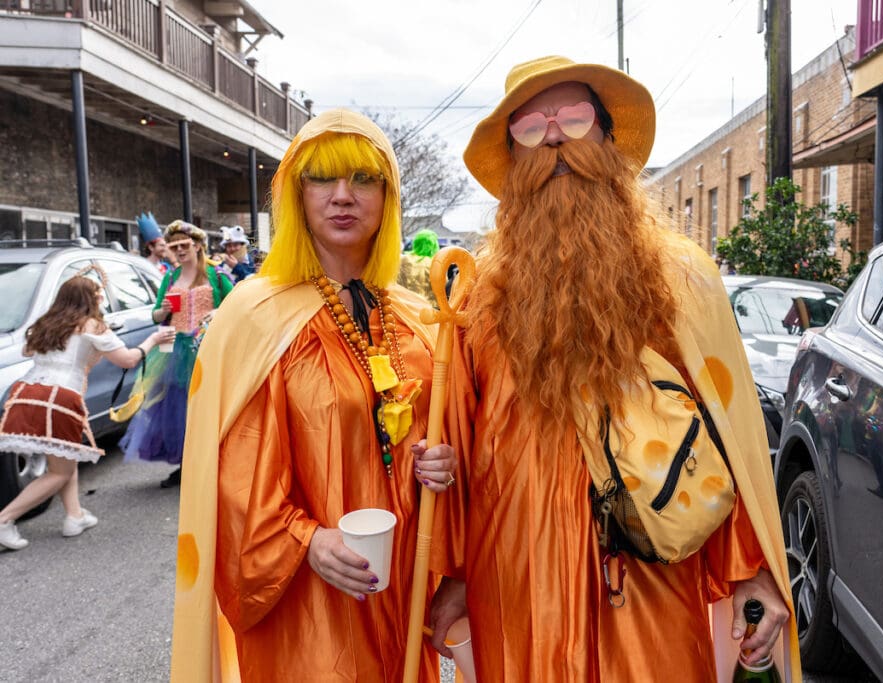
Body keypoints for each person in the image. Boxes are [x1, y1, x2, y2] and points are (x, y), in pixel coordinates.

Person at [428, 56, 801, 681]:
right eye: (530, 128)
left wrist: (748, 568)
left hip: (646, 581)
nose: (553, 139)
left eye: (572, 120)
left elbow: (720, 436)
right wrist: (455, 573)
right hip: (520, 582)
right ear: (514, 160)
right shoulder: (479, 301)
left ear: (605, 136)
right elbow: (467, 451)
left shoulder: (679, 280)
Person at [169, 109, 458, 682]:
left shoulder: (415, 320)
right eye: (322, 179)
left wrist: (442, 463)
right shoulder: (254, 315)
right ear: (297, 197)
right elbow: (233, 472)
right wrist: (306, 541)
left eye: (364, 179)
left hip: (397, 586)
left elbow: (436, 436)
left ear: (388, 197)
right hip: (305, 600)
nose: (343, 196)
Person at [0, 274, 175, 550]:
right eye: (98, 294)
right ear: (89, 299)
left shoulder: (46, 323)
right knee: (58, 471)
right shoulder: (93, 325)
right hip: (60, 398)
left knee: (64, 460)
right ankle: (4, 520)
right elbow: (128, 360)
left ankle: (74, 516)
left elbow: (26, 350)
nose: (101, 298)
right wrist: (153, 339)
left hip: (28, 394)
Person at [119, 220, 233, 488]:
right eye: (174, 246)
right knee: (180, 410)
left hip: (208, 349)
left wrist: (217, 312)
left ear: (197, 246)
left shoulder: (216, 276)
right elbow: (156, 313)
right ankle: (185, 466)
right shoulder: (170, 278)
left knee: (209, 407)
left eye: (184, 245)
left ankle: (215, 464)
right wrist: (165, 310)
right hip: (175, 352)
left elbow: (236, 305)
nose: (180, 250)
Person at [397, 228, 440, 306]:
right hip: (430, 309)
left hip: (405, 307)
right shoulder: (437, 263)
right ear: (434, 245)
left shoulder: (403, 260)